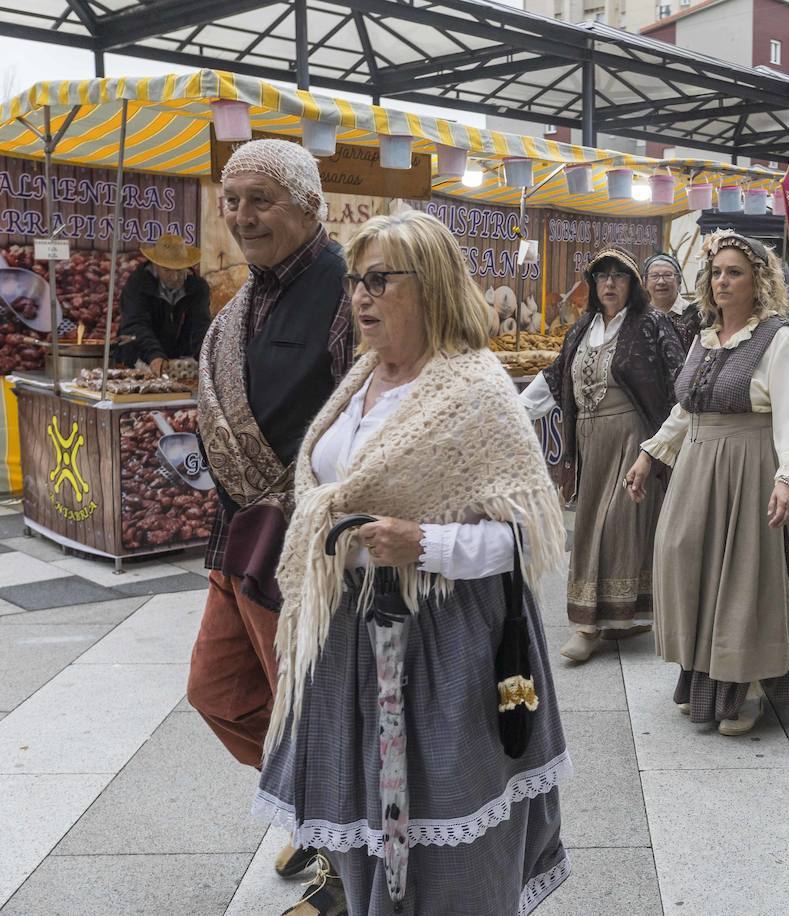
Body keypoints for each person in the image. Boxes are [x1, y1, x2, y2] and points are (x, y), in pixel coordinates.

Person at [255, 211, 570, 914]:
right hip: (350, 633)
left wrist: (426, 544)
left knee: (439, 830)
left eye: (379, 281)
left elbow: (526, 537)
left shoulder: (475, 389)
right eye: (354, 282)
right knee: (367, 812)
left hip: (441, 639)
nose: (360, 297)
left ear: (428, 287)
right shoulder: (361, 377)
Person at [187, 138, 355, 899]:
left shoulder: (351, 287)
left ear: (310, 206)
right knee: (221, 693)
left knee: (316, 707)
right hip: (237, 538)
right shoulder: (244, 300)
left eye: (261, 199)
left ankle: (349, 863)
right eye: (232, 199)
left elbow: (375, 414)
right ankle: (313, 808)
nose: (242, 215)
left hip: (305, 548)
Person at [624, 230, 789, 736]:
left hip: (749, 465)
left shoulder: (778, 336)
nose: (722, 281)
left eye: (734, 272)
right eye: (716, 272)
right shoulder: (703, 336)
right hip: (697, 465)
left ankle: (750, 686)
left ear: (758, 280)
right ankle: (701, 675)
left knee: (743, 577)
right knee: (683, 557)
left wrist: (788, 477)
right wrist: (650, 455)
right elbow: (686, 406)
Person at [520, 248, 684, 662]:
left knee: (619, 523)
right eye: (602, 277)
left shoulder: (650, 324)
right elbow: (557, 376)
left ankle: (589, 625)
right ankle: (611, 617)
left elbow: (680, 377)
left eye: (620, 276)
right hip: (589, 442)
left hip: (632, 436)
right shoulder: (581, 329)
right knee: (593, 524)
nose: (610, 284)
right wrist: (514, 413)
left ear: (633, 284)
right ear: (593, 285)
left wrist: (670, 442)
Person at [118, 233, 211, 373]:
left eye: (179, 270)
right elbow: (135, 324)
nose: (174, 277)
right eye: (166, 270)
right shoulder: (138, 283)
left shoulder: (198, 287)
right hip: (138, 358)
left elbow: (200, 326)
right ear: (156, 266)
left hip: (177, 361)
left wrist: (201, 359)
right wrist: (154, 355)